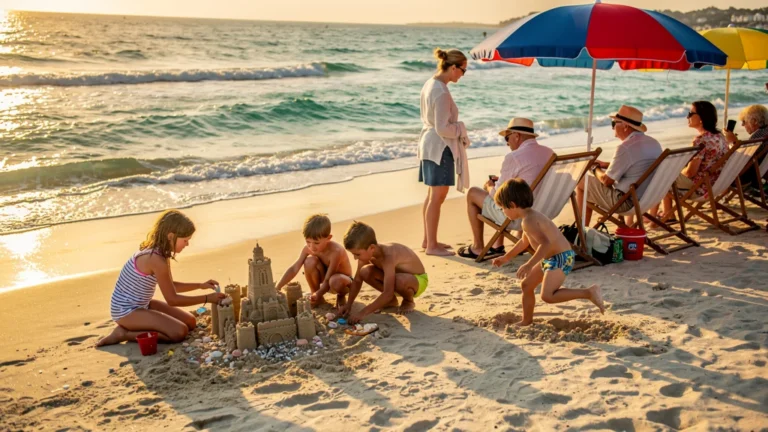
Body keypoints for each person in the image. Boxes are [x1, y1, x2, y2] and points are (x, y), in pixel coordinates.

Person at [96, 210, 225, 347]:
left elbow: (171, 285)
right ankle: (123, 333)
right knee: (179, 332)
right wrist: (207, 298)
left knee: (190, 322)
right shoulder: (156, 259)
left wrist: (200, 285)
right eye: (185, 240)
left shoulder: (162, 253)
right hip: (126, 311)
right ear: (171, 236)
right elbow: (172, 299)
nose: (187, 244)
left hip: (142, 303)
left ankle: (144, 324)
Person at [490, 179, 605, 326]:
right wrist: (506, 257)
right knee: (526, 285)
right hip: (552, 258)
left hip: (562, 258)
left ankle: (588, 292)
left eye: (502, 209)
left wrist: (529, 264)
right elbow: (524, 242)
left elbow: (545, 244)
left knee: (548, 296)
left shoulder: (530, 221)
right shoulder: (528, 217)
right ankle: (526, 320)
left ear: (512, 205)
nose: (503, 212)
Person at [459, 118, 553, 259]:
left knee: (473, 193)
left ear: (517, 136)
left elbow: (497, 196)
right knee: (510, 191)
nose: (507, 142)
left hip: (518, 215)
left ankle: (478, 247)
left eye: (507, 138)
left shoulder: (514, 157)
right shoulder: (548, 153)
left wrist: (490, 186)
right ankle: (498, 245)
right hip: (544, 211)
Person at [418, 47, 469, 256]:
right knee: (437, 196)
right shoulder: (441, 91)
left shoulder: (431, 83)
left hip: (429, 144)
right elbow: (442, 128)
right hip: (439, 146)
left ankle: (428, 240)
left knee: (432, 195)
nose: (463, 75)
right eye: (463, 70)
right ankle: (431, 246)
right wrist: (461, 128)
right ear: (453, 67)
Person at [575, 105, 662, 225]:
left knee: (582, 183)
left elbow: (606, 181)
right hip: (650, 198)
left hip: (627, 202)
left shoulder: (625, 148)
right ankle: (583, 231)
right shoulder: (654, 143)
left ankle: (580, 232)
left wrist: (595, 168)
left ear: (625, 126)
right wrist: (606, 164)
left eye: (614, 123)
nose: (613, 128)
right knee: (589, 190)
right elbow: (638, 166)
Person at [340, 221, 428, 322]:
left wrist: (362, 313)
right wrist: (349, 304)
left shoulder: (388, 256)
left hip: (417, 281)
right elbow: (357, 281)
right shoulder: (368, 254)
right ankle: (391, 301)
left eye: (357, 254)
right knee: (365, 271)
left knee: (399, 280)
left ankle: (408, 301)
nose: (355, 258)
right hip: (396, 279)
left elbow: (388, 292)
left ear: (372, 248)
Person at [654, 101, 728, 220]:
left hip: (701, 188)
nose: (687, 117)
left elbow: (690, 173)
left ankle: (667, 215)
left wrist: (676, 173)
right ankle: (668, 213)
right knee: (669, 175)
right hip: (717, 183)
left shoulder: (701, 140)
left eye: (690, 113)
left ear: (701, 118)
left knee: (664, 176)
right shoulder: (720, 136)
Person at [275, 214, 353, 311]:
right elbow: (294, 268)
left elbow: (328, 279)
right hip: (326, 280)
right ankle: (316, 296)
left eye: (316, 243)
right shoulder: (308, 249)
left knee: (334, 281)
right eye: (308, 241)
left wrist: (319, 293)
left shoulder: (335, 251)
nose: (312, 246)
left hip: (343, 282)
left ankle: (340, 295)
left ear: (328, 238)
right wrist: (278, 286)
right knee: (309, 261)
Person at [724, 104, 768, 188]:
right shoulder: (765, 133)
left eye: (744, 122)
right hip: (759, 172)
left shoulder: (757, 137)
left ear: (754, 121)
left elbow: (743, 158)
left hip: (745, 176)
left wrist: (733, 142)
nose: (742, 125)